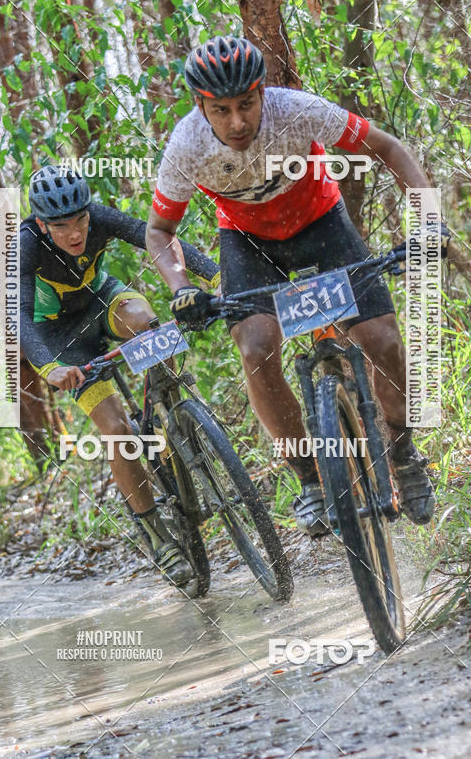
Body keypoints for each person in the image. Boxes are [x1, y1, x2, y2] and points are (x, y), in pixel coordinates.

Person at [145, 34, 448, 535]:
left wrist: (429, 220)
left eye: (246, 104)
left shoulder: (297, 110)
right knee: (256, 347)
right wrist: (179, 286)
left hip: (320, 222)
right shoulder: (186, 146)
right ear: (201, 107)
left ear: (263, 92)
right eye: (221, 110)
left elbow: (387, 147)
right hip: (248, 242)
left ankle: (403, 453)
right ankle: (309, 478)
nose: (237, 122)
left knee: (382, 339)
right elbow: (159, 231)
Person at [20, 165, 219, 586]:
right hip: (58, 338)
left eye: (81, 221)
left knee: (150, 325)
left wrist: (214, 274)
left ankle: (172, 412)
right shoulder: (26, 245)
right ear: (41, 223)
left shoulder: (99, 217)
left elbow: (156, 236)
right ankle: (154, 532)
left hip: (102, 301)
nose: (75, 233)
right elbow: (17, 317)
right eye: (61, 226)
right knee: (117, 432)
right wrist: (51, 369)